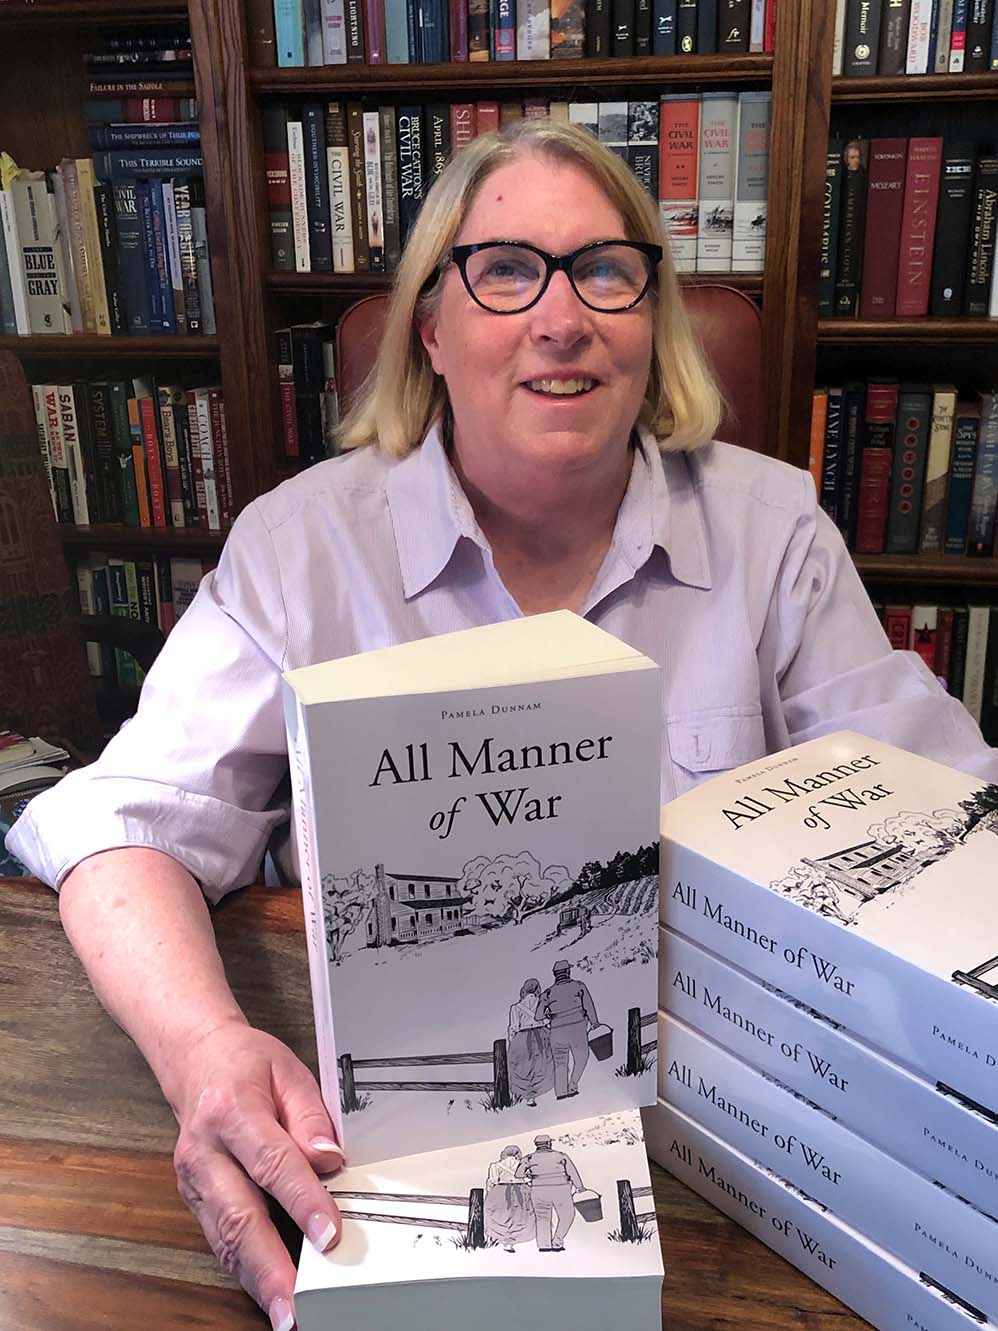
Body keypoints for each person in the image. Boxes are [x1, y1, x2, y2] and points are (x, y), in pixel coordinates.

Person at [7, 117, 998, 1330]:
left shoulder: (772, 527)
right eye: (506, 269)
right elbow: (118, 825)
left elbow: (941, 810)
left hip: (730, 1162)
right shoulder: (302, 547)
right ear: (431, 326)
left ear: (653, 319)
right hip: (384, 1158)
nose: (562, 315)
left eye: (604, 269)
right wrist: (203, 1045)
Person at [515, 1133, 584, 1252]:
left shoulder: (529, 1158)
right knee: (567, 1216)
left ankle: (544, 1246)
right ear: (549, 1143)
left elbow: (518, 1174)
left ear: (537, 1145)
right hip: (561, 1189)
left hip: (538, 1190)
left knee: (542, 1219)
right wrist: (579, 1187)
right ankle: (557, 1241)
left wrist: (531, 1176)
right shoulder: (561, 1156)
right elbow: (572, 1172)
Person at [541, 960, 599, 1099]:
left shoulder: (548, 993)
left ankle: (561, 1092)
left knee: (560, 1063)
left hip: (556, 1032)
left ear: (555, 975)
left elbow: (538, 1016)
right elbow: (589, 1006)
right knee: (582, 1058)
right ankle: (573, 1085)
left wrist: (549, 1015)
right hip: (577, 1029)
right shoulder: (579, 986)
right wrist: (594, 1022)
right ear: (568, 972)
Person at [507, 977, 554, 1106]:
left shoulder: (516, 1008)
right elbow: (548, 1019)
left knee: (523, 1067)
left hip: (522, 1037)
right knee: (541, 1065)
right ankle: (538, 1092)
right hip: (541, 1035)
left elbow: (514, 1027)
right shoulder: (542, 1002)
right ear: (537, 989)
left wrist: (512, 1042)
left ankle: (528, 1097)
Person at [483, 1144, 536, 1252]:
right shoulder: (523, 1164)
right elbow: (528, 1179)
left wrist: (490, 1193)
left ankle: (506, 1241)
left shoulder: (495, 1165)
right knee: (519, 1215)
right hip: (521, 1190)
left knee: (501, 1216)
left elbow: (493, 1181)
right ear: (517, 1153)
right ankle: (514, 1240)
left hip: (500, 1191)